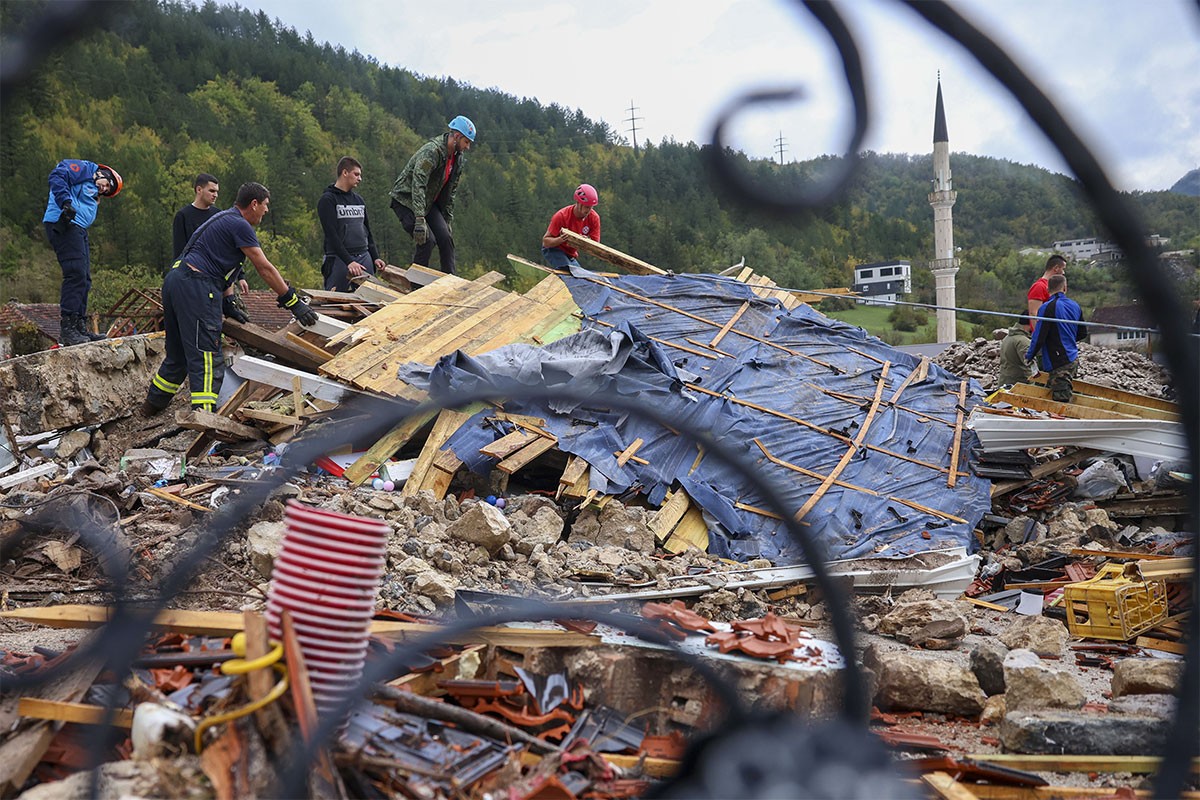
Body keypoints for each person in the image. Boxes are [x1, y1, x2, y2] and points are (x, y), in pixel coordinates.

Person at [142, 182, 318, 416]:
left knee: (178, 355)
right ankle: (204, 417)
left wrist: (228, 301)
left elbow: (224, 267)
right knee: (206, 355)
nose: (266, 211)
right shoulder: (240, 225)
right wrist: (292, 301)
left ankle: (151, 407)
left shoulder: (223, 219)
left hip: (176, 280)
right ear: (254, 204)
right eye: (265, 205)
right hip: (197, 285)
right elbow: (264, 267)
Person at [42, 158, 123, 346]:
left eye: (107, 191)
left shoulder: (92, 188)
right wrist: (65, 202)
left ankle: (79, 325)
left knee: (85, 278)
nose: (104, 189)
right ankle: (68, 328)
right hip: (64, 223)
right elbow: (57, 175)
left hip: (78, 229)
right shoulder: (85, 169)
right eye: (107, 185)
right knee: (75, 273)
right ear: (105, 173)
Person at [389, 115, 476, 275]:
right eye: (466, 142)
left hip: (428, 202)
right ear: (457, 137)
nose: (468, 147)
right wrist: (420, 219)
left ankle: (450, 282)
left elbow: (451, 192)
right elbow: (418, 184)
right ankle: (415, 285)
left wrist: (447, 220)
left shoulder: (458, 159)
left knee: (446, 239)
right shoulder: (432, 151)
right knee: (426, 240)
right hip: (406, 200)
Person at [318, 157, 386, 292]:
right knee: (334, 301)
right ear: (344, 173)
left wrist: (375, 257)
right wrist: (348, 261)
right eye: (356, 174)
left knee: (369, 299)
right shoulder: (328, 200)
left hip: (363, 256)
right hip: (339, 259)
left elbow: (367, 231)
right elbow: (332, 235)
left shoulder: (359, 200)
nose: (359, 178)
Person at [1026, 274, 1086, 403]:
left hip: (1058, 361)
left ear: (1047, 290)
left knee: (1060, 399)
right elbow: (1082, 333)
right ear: (1065, 288)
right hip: (1073, 358)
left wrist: (1029, 355)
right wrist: (1067, 339)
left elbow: (1039, 336)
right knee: (1064, 391)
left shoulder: (1046, 307)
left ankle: (1061, 421)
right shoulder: (1075, 305)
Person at [541, 184, 601, 269]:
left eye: (591, 207)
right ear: (579, 203)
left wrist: (585, 242)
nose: (589, 211)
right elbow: (546, 242)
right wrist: (561, 239)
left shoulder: (594, 218)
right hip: (553, 249)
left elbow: (596, 246)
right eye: (587, 207)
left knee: (582, 277)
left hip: (570, 254)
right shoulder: (561, 216)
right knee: (570, 272)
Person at [172, 173, 220, 261]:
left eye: (217, 192)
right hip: (191, 269)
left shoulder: (218, 215)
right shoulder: (183, 216)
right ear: (199, 190)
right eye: (212, 191)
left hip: (214, 271)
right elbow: (179, 252)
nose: (215, 195)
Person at [996, 313, 1035, 388]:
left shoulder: (1008, 337)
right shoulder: (1023, 341)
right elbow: (1030, 367)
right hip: (1017, 386)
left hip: (1005, 382)